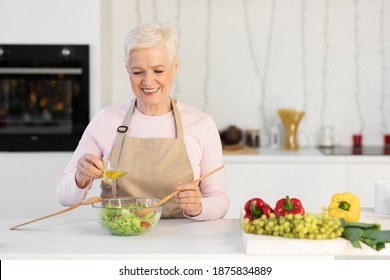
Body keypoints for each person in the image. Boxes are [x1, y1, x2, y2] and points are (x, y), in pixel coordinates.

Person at [56, 23, 229, 220]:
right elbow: (64, 196)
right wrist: (81, 177)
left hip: (182, 241)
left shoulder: (201, 124)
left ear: (175, 66)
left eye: (158, 71)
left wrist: (199, 207)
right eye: (138, 72)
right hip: (119, 238)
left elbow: (220, 201)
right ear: (127, 70)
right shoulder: (106, 120)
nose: (148, 81)